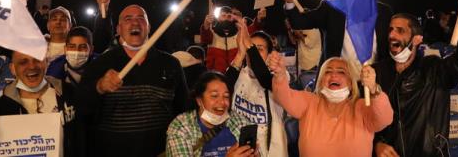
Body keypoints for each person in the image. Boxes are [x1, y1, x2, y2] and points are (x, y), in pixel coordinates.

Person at [373, 0, 458, 157]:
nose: (392, 35)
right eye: (390, 30)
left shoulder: (434, 70)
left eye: (400, 30)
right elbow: (365, 118)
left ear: (417, 39)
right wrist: (376, 144)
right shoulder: (376, 72)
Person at [78, 1, 188, 157]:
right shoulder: (100, 63)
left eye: (141, 18)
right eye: (128, 19)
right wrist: (99, 87)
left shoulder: (171, 64)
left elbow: (183, 111)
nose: (135, 22)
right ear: (118, 29)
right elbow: (82, 109)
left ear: (149, 27)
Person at [267, 53, 393, 157]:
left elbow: (385, 118)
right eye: (328, 72)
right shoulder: (309, 102)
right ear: (321, 81)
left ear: (351, 83)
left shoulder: (361, 107)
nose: (334, 75)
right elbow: (284, 96)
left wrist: (373, 89)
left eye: (341, 72)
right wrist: (280, 74)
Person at [0, 51, 81, 157]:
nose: (32, 66)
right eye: (23, 62)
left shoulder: (70, 94)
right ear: (13, 68)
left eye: (37, 59)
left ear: (46, 62)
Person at [226, 20, 287, 156]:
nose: (253, 52)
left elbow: (265, 78)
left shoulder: (280, 75)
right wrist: (240, 54)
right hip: (239, 149)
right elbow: (223, 88)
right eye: (250, 49)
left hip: (271, 151)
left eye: (259, 48)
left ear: (269, 54)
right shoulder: (239, 73)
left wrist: (249, 44)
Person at [166, 71, 255, 157]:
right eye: (214, 96)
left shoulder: (239, 121)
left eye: (226, 96)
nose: (222, 102)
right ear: (199, 100)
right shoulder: (182, 126)